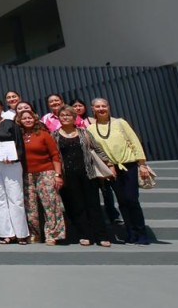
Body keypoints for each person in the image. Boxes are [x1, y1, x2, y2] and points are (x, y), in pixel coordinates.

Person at [88, 97, 152, 244]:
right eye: (97, 107)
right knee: (122, 201)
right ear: (93, 109)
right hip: (111, 169)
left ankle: (141, 232)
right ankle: (130, 232)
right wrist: (107, 166)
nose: (101, 109)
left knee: (132, 199)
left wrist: (142, 164)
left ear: (108, 107)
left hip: (128, 165)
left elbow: (134, 142)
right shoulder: (91, 129)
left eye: (104, 106)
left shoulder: (120, 123)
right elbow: (95, 151)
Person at [53, 105, 112, 246]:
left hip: (88, 173)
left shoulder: (83, 132)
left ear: (74, 118)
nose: (65, 117)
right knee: (76, 206)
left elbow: (97, 149)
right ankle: (84, 234)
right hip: (68, 175)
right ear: (59, 118)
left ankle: (101, 236)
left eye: (69, 115)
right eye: (63, 115)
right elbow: (54, 156)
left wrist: (109, 164)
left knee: (93, 205)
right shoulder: (54, 135)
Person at [0, 95, 29, 244]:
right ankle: (6, 233)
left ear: (1, 108)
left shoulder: (11, 124)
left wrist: (14, 157)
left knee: (15, 197)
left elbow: (19, 145)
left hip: (11, 164)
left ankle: (21, 233)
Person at [17, 107, 66, 245]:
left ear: (34, 119)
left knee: (51, 203)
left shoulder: (44, 134)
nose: (27, 120)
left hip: (46, 172)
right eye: (24, 118)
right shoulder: (18, 136)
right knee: (30, 206)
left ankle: (53, 234)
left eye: (29, 117)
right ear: (19, 121)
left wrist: (57, 175)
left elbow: (55, 155)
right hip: (26, 174)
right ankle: (35, 234)